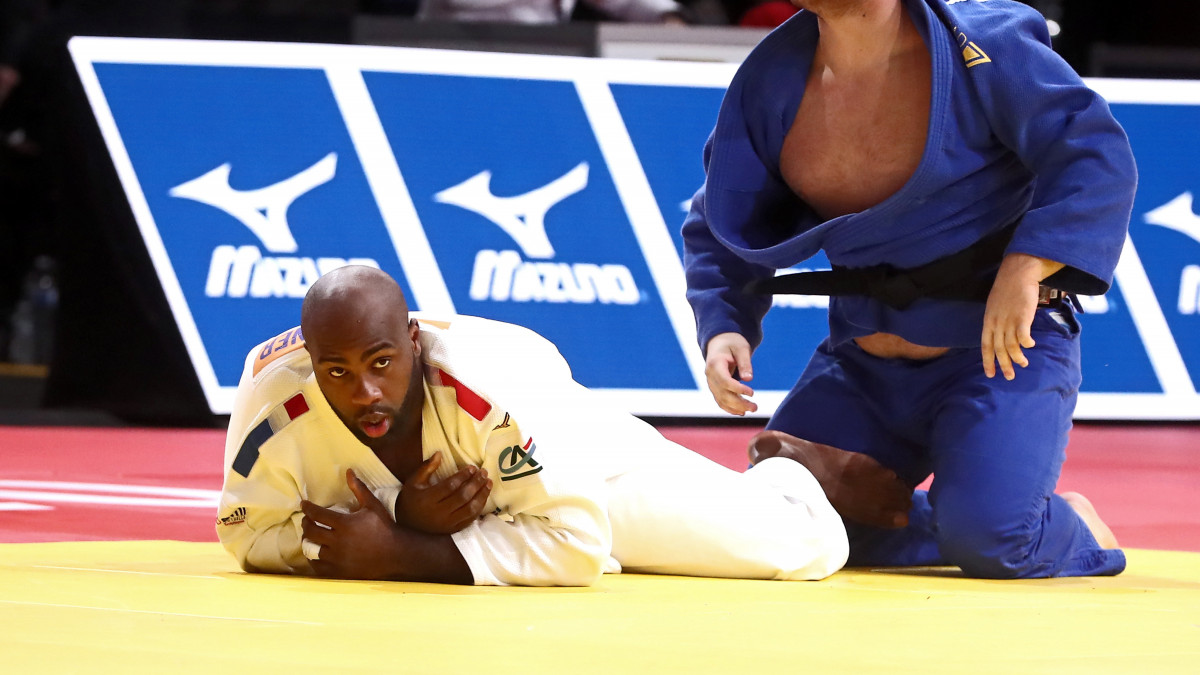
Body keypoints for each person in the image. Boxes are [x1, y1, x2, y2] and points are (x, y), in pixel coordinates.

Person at [682, 0, 1134, 578]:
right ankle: (950, 522)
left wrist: (1027, 265)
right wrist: (725, 322)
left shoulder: (986, 46)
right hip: (862, 364)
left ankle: (1059, 525)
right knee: (784, 527)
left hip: (999, 352)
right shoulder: (772, 85)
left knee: (996, 542)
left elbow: (1094, 151)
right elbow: (719, 218)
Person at [216, 265, 848, 585]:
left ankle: (794, 470)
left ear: (412, 341)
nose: (366, 392)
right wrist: (400, 512)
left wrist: (402, 551)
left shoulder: (488, 390)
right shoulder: (271, 406)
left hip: (570, 442)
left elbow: (575, 545)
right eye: (338, 372)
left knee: (796, 549)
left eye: (382, 363)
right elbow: (246, 534)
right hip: (497, 502)